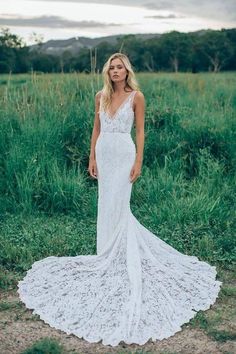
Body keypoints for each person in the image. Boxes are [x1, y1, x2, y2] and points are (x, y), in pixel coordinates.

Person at [17, 53, 222, 347]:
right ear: (107, 71)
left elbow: (140, 131)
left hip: (124, 155)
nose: (115, 71)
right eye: (111, 67)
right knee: (105, 205)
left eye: (119, 67)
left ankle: (122, 258)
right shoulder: (100, 95)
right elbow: (96, 128)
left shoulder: (137, 96)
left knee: (120, 204)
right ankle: (106, 255)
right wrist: (91, 156)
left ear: (127, 71)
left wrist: (138, 160)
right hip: (104, 152)